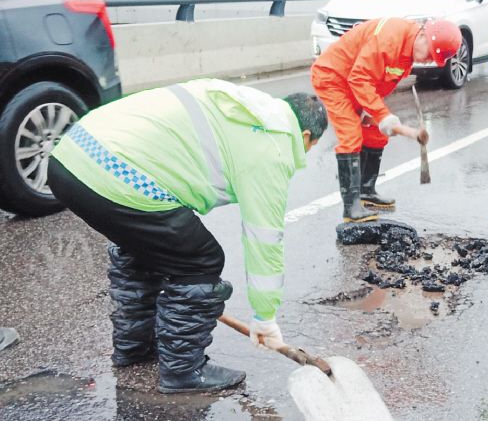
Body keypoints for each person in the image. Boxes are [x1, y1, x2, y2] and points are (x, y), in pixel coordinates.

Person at [47, 79, 327, 393]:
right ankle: (183, 372)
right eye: (310, 146)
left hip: (70, 156)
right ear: (306, 136)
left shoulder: (243, 104)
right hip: (115, 173)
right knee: (199, 260)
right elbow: (264, 239)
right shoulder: (273, 145)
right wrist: (264, 318)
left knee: (148, 248)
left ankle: (134, 349)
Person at [312, 17, 462, 222]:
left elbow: (381, 81)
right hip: (333, 78)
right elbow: (360, 78)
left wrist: (371, 111)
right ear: (423, 36)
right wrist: (381, 114)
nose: (428, 61)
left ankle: (366, 190)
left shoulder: (408, 53)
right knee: (351, 134)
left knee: (376, 133)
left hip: (356, 82)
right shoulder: (389, 39)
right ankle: (351, 207)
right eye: (430, 55)